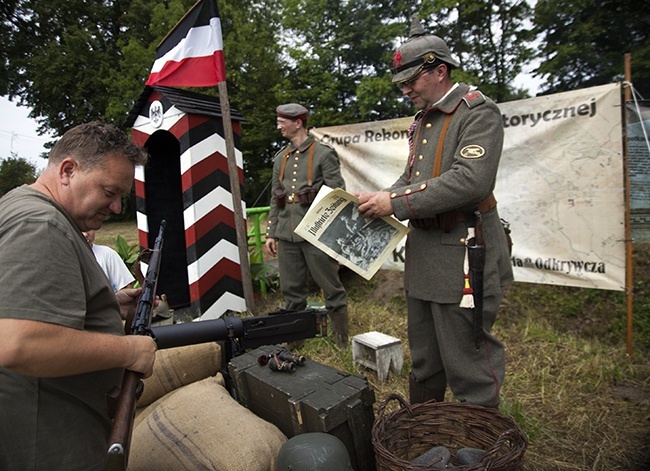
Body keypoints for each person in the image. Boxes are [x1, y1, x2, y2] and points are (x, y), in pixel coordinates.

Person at [357, 17, 513, 408]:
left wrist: (394, 203)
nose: (406, 89)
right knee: (425, 360)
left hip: (464, 253)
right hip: (426, 253)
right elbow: (411, 178)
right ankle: (425, 431)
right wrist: (376, 199)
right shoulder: (424, 120)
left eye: (412, 80)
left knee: (468, 362)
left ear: (439, 71)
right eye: (403, 82)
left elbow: (470, 181)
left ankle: (482, 447)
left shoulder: (477, 112)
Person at [0, 121, 157, 470]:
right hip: (47, 441)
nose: (116, 207)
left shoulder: (21, 206)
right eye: (109, 191)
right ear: (68, 170)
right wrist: (129, 350)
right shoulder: (41, 225)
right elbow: (20, 342)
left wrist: (105, 306)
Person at [265, 103, 349, 349]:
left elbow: (337, 193)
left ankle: (341, 341)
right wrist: (271, 232)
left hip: (316, 233)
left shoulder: (323, 153)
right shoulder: (280, 158)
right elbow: (275, 196)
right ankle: (294, 340)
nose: (279, 126)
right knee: (291, 291)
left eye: (283, 121)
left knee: (331, 288)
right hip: (286, 234)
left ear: (298, 122)